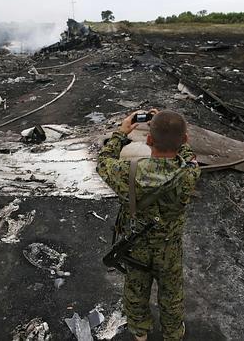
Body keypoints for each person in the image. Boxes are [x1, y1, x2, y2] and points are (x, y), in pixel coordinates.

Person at [96, 109, 201, 341]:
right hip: (169, 248)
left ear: (149, 139)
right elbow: (188, 154)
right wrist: (173, 132)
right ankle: (173, 334)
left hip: (136, 247)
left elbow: (103, 161)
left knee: (135, 292)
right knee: (172, 295)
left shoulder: (128, 172)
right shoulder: (190, 173)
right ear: (184, 139)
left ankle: (140, 334)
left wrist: (121, 132)